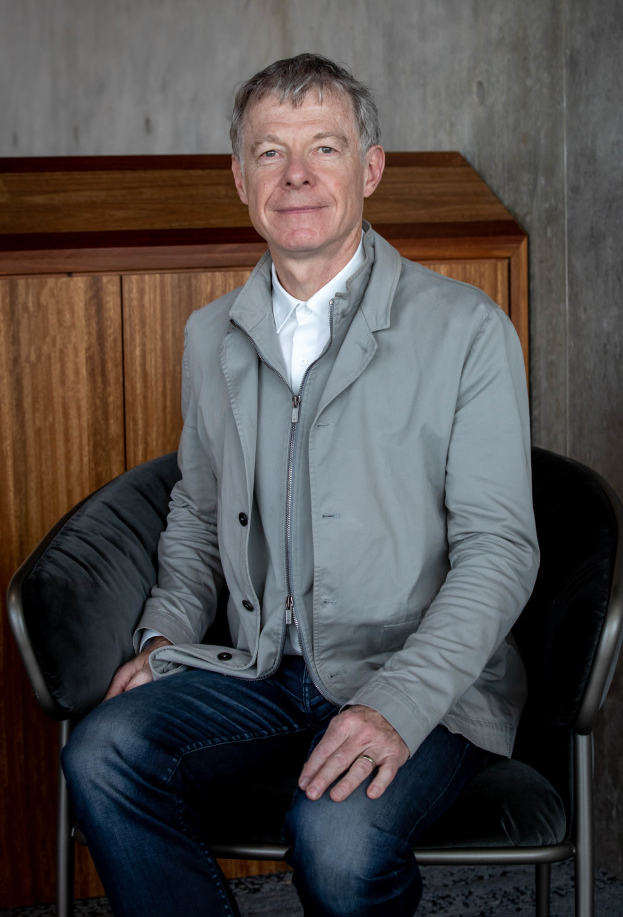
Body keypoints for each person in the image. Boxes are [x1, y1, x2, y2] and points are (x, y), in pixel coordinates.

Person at [62, 53, 539, 917]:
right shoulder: (211, 335)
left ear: (370, 168)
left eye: (324, 147)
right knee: (102, 750)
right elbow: (199, 511)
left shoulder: (467, 329)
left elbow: (499, 550)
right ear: (240, 178)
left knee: (341, 847)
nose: (297, 177)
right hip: (261, 670)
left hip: (420, 678)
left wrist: (397, 703)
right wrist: (164, 638)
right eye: (270, 153)